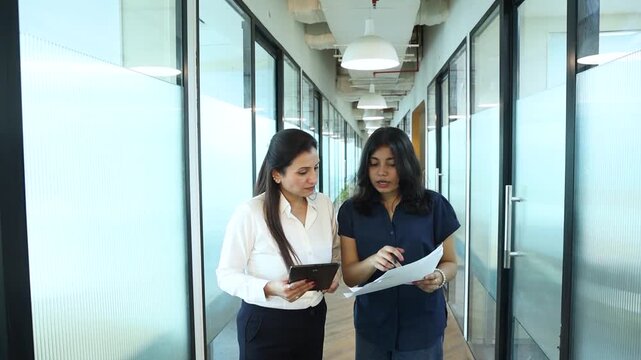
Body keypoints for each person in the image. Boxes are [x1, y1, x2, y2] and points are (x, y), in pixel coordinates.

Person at [216, 128, 340, 360]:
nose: (313, 178)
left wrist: (334, 274)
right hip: (266, 324)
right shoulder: (251, 212)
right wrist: (270, 288)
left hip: (313, 318)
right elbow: (226, 275)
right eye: (302, 172)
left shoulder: (324, 205)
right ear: (276, 175)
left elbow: (334, 250)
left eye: (316, 168)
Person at [338, 127, 459, 360]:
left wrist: (439, 277)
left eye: (391, 164)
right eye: (374, 164)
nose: (381, 172)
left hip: (422, 325)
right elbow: (351, 276)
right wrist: (373, 261)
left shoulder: (434, 205)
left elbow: (451, 262)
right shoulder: (352, 211)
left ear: (405, 165)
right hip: (373, 326)